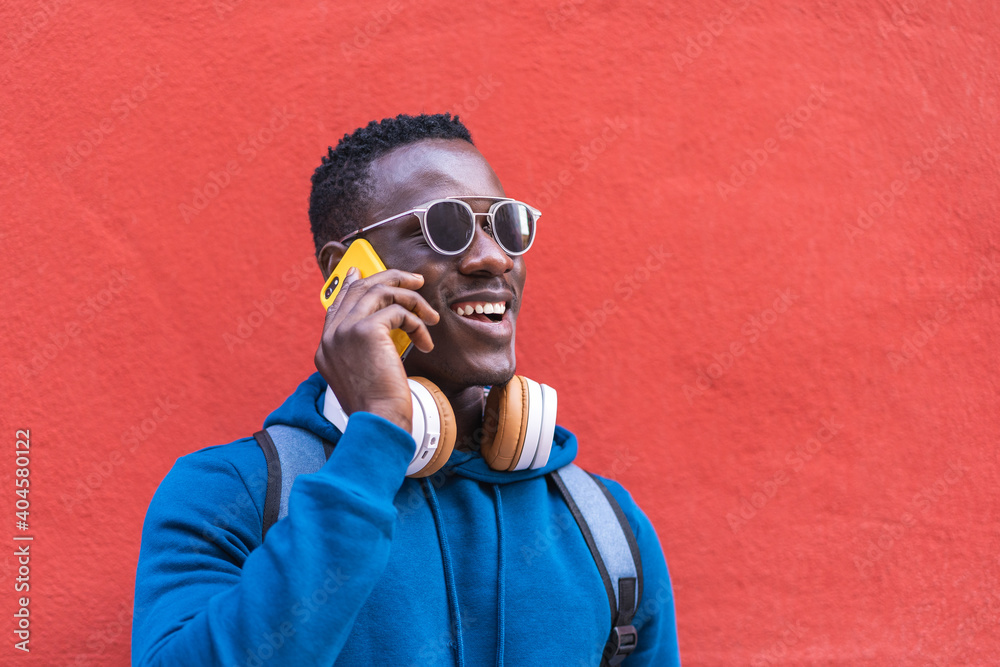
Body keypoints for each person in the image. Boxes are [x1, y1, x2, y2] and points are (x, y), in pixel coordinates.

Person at [132, 113, 681, 666]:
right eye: (445, 227)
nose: (493, 257)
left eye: (505, 225)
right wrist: (374, 440)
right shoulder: (230, 494)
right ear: (346, 271)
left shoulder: (609, 529)